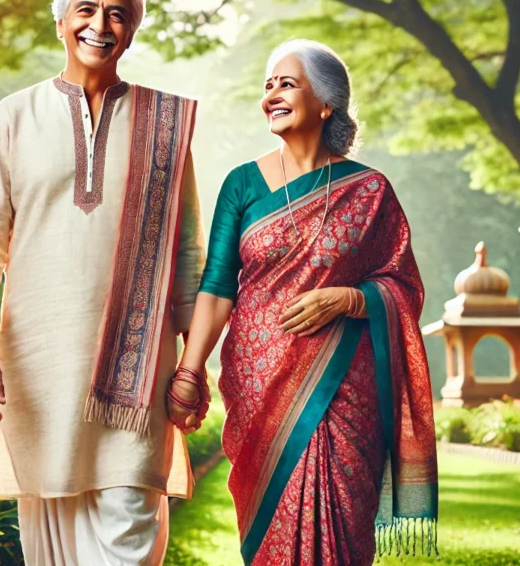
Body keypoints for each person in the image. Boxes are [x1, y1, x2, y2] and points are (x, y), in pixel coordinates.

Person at [0, 0, 205, 566]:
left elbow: (189, 254)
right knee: (51, 548)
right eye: (87, 9)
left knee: (129, 541)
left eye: (118, 14)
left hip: (136, 374)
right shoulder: (14, 116)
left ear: (133, 30)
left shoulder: (165, 125)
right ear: (62, 20)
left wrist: (194, 364)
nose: (101, 24)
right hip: (39, 372)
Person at [167, 39, 439, 565]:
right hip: (258, 383)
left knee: (342, 524)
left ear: (326, 102)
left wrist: (349, 299)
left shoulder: (370, 190)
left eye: (286, 83)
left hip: (345, 391)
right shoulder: (242, 184)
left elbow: (403, 284)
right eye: (268, 85)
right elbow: (218, 286)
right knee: (270, 526)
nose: (272, 94)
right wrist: (189, 367)